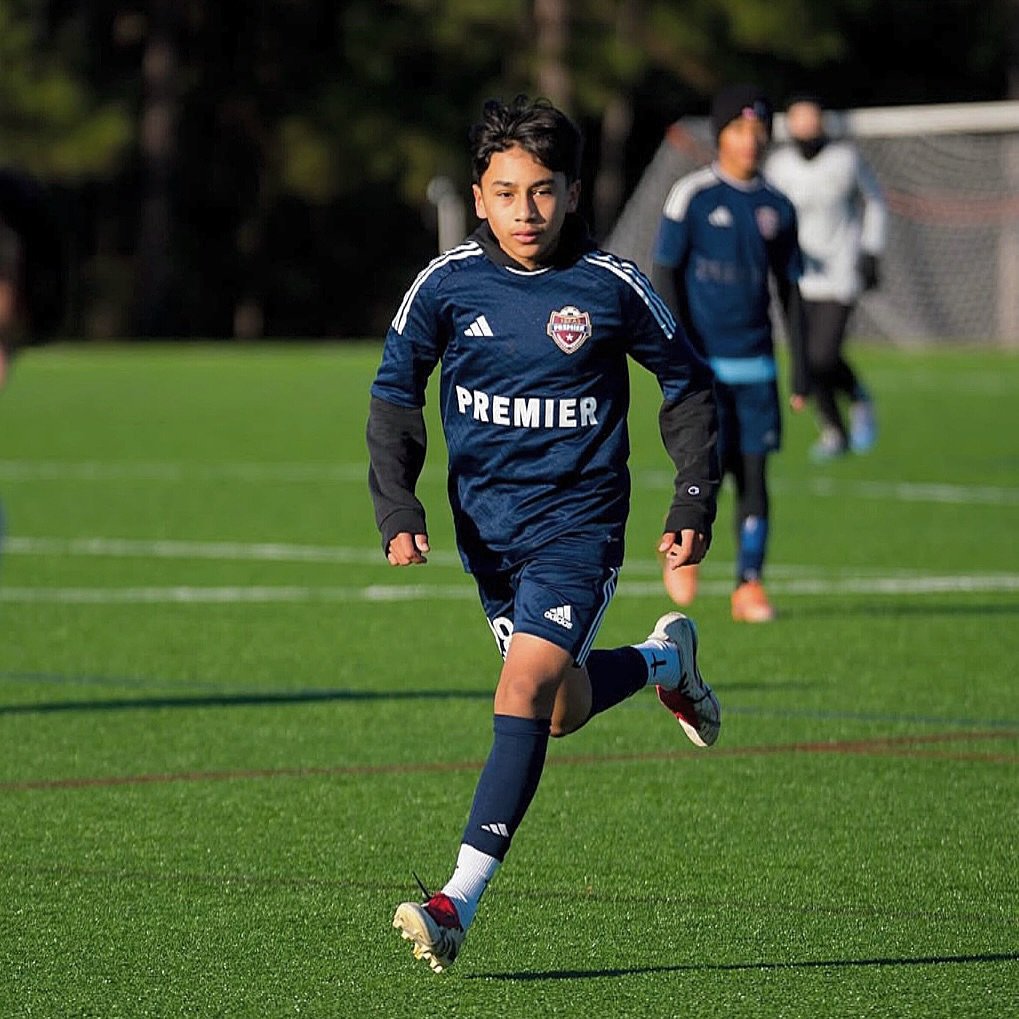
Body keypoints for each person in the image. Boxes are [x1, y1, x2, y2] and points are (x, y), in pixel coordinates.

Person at [367, 95, 721, 973]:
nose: (526, 211)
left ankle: (456, 900)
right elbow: (393, 395)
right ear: (478, 197)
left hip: (579, 527)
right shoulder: (446, 284)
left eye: (543, 191)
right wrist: (398, 507)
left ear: (570, 193)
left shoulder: (609, 285)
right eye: (507, 191)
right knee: (555, 708)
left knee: (521, 692)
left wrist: (690, 498)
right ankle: (661, 662)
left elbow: (688, 387)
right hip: (488, 538)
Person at [651, 84, 808, 623]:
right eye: (740, 129)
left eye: (759, 130)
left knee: (755, 477)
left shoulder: (778, 207)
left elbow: (790, 291)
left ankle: (749, 583)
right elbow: (665, 275)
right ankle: (683, 548)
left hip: (757, 367)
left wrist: (801, 371)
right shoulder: (692, 196)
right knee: (705, 470)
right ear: (721, 135)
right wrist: (677, 353)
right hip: (704, 368)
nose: (750, 140)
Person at [764, 95, 887, 461]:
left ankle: (858, 396)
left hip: (840, 273)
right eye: (798, 122)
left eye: (811, 121)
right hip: (798, 275)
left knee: (822, 355)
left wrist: (871, 250)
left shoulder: (845, 160)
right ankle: (835, 432)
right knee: (807, 358)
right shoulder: (778, 166)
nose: (806, 129)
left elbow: (876, 201)